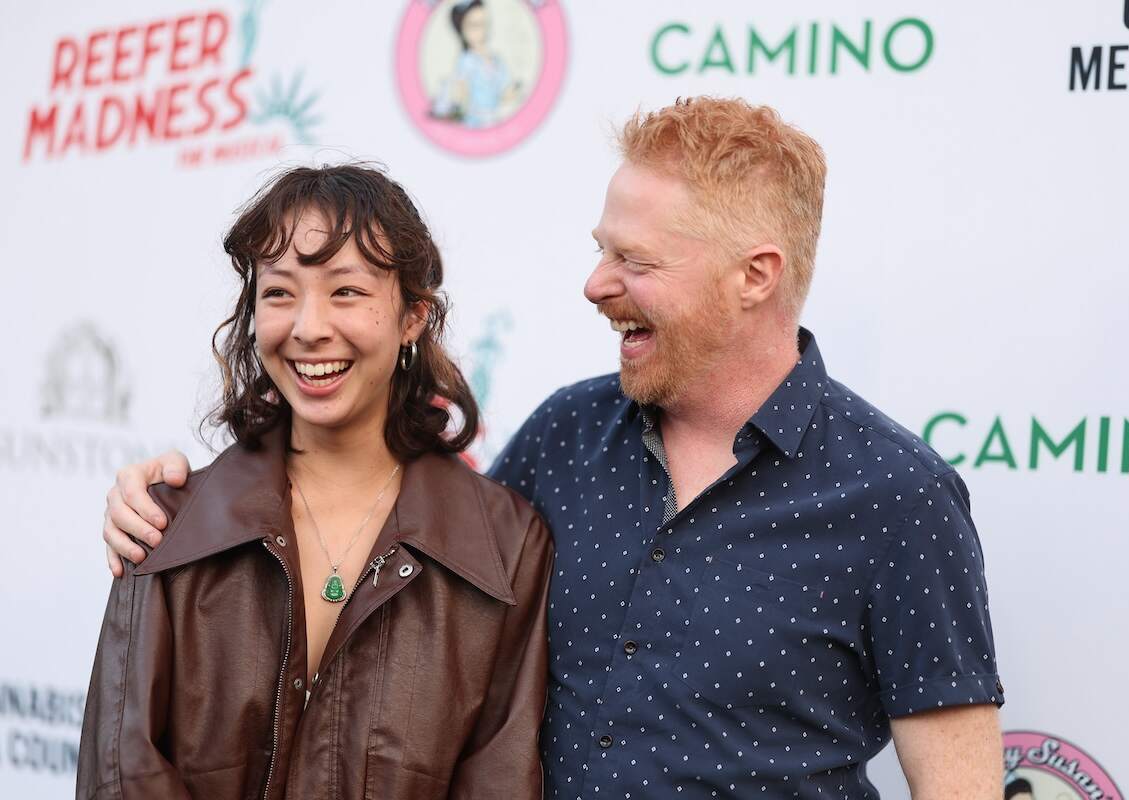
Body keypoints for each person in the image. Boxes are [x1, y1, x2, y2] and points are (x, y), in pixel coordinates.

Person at [101, 98, 1005, 798]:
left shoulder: (896, 496)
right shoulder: (565, 438)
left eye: (636, 263)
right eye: (601, 250)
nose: (594, 284)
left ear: (755, 277)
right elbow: (403, 569)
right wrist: (183, 500)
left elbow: (957, 786)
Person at [78, 165, 553, 799]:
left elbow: (500, 779)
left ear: (414, 316)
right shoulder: (164, 523)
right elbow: (120, 773)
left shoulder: (507, 544)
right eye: (279, 293)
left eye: (346, 291)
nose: (307, 327)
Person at [431, 0, 521, 128]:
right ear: (462, 29)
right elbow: (461, 96)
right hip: (475, 122)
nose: (481, 30)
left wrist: (509, 94)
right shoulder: (466, 62)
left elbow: (504, 91)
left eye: (484, 23)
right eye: (474, 25)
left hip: (496, 118)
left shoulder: (497, 60)